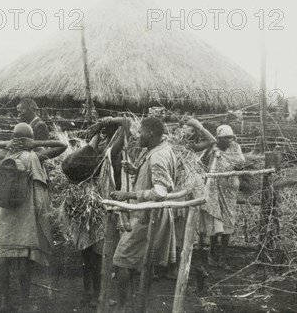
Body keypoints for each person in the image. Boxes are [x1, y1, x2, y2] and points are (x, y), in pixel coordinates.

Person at [0, 123, 67, 312]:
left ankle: (5, 301)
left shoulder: (6, 156)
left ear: (15, 138)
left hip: (7, 212)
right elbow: (62, 145)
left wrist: (9, 143)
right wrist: (34, 143)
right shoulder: (34, 157)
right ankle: (24, 305)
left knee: (5, 255)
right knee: (24, 256)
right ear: (30, 139)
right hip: (26, 210)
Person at [61, 116, 132, 305]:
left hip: (85, 212)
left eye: (103, 137)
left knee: (87, 255)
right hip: (100, 212)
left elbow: (91, 144)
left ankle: (88, 294)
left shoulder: (85, 158)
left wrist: (101, 125)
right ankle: (100, 296)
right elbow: (127, 124)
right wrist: (114, 120)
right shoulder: (105, 157)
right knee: (100, 256)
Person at [110, 117, 177, 310]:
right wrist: (137, 170)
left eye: (140, 133)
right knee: (145, 263)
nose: (137, 136)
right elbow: (157, 179)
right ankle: (140, 306)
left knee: (121, 260)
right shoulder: (160, 151)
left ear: (151, 134)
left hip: (147, 217)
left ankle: (123, 307)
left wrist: (128, 194)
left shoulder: (157, 157)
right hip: (151, 216)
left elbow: (160, 191)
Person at [168, 117, 216, 279]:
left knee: (180, 230)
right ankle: (162, 266)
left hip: (183, 192)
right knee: (166, 228)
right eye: (187, 128)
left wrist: (199, 126)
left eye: (191, 130)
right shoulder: (170, 145)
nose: (187, 131)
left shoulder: (191, 148)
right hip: (170, 189)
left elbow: (212, 140)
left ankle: (174, 267)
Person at [200, 125, 245, 269]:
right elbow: (202, 164)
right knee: (215, 219)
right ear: (218, 138)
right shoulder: (212, 148)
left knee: (228, 221)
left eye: (230, 137)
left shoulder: (236, 147)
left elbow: (240, 163)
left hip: (229, 189)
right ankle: (212, 253)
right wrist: (211, 153)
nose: (229, 140)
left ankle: (223, 257)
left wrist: (229, 162)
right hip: (214, 188)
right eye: (225, 138)